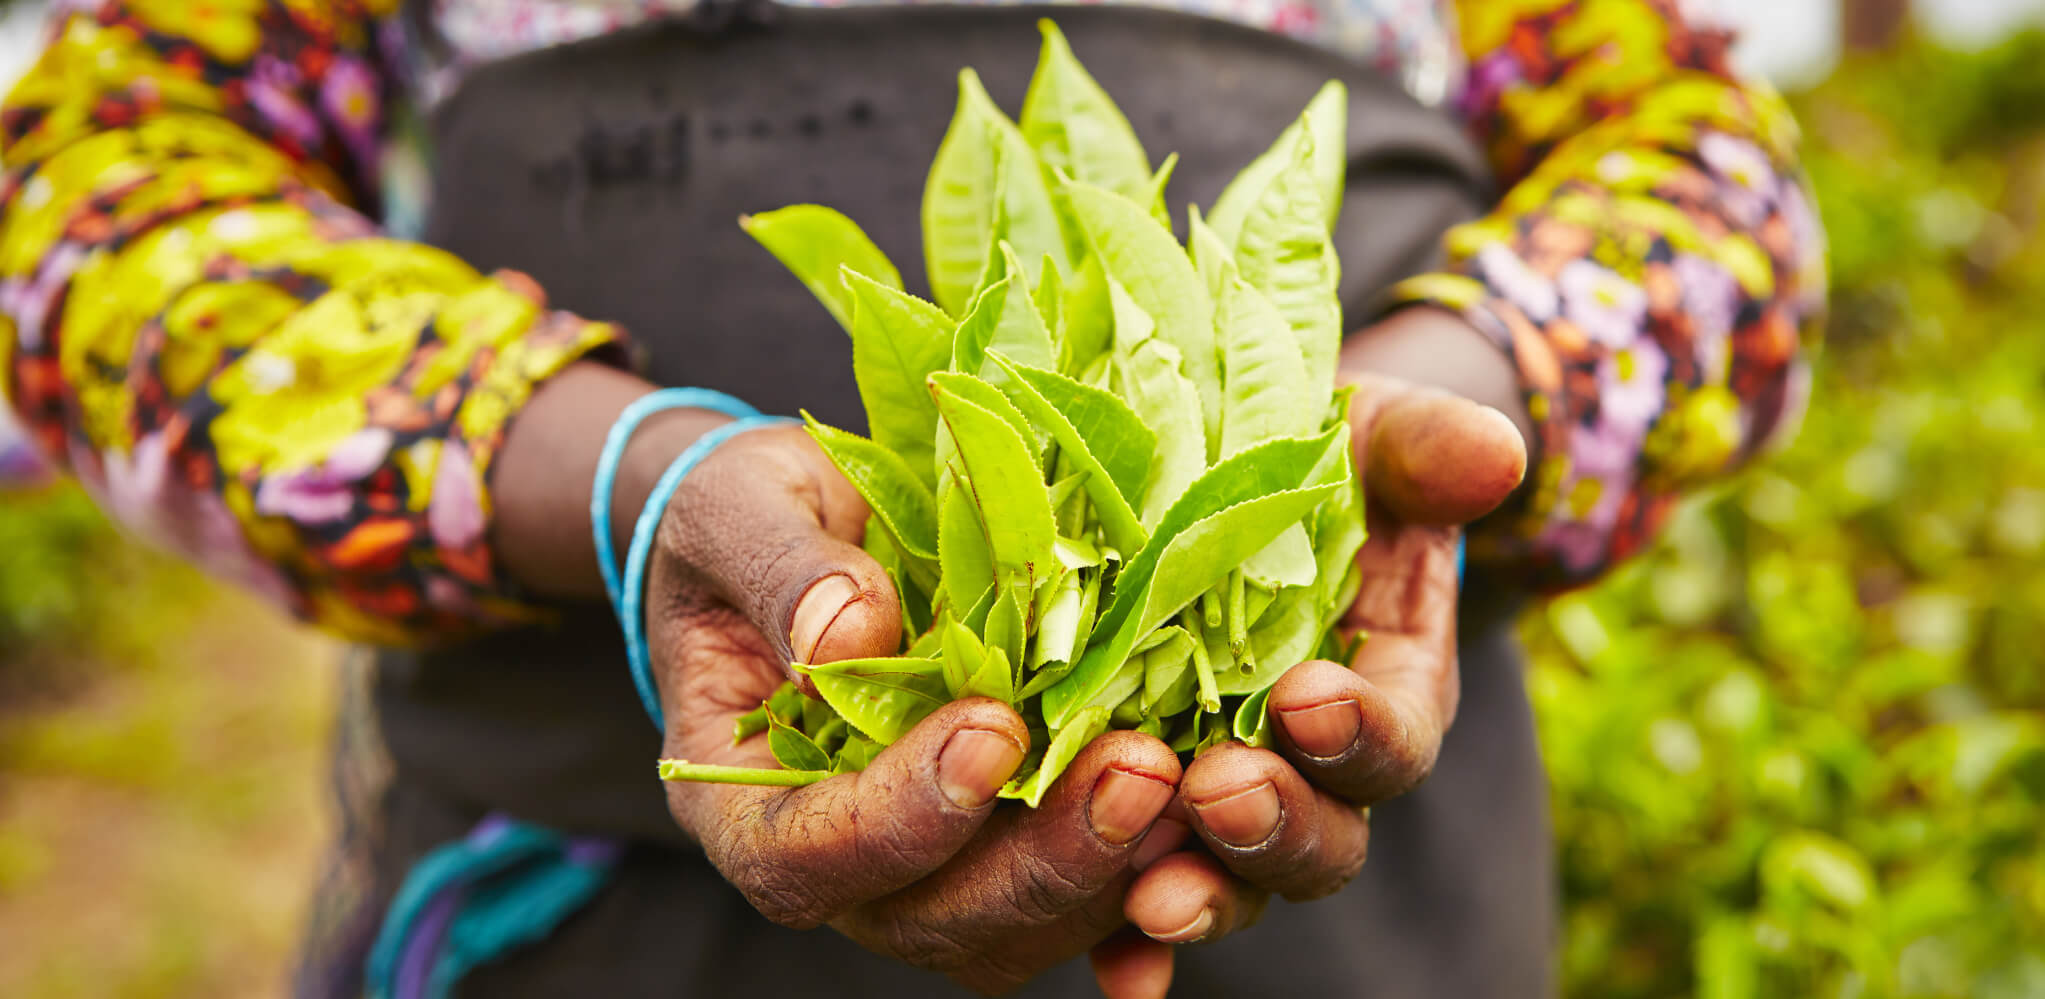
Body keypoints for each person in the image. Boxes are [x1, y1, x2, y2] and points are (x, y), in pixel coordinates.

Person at [0, 1, 1824, 996]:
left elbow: (1710, 176)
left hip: (1344, 870)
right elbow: (91, 200)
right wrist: (629, 477)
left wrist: (1440, 404)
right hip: (583, 915)